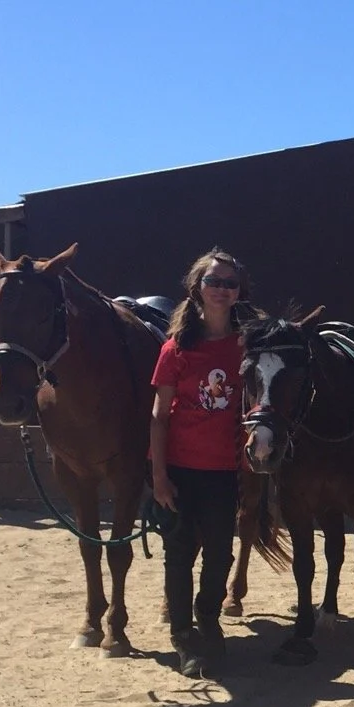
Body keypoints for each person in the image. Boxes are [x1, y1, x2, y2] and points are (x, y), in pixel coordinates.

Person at [149, 247, 257, 679]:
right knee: (178, 554)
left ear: (237, 293)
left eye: (230, 283)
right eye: (214, 281)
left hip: (223, 469)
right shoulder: (176, 349)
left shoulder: (247, 346)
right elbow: (159, 415)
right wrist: (158, 476)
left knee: (218, 554)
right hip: (178, 467)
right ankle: (183, 635)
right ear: (198, 288)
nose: (222, 290)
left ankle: (206, 616)